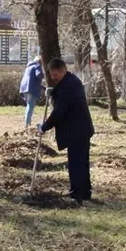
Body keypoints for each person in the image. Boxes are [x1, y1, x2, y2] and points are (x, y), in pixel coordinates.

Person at [39, 58, 94, 202]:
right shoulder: (70, 81)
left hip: (77, 130)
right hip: (79, 129)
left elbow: (59, 111)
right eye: (52, 75)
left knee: (77, 162)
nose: (53, 78)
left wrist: (45, 127)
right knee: (81, 161)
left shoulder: (70, 85)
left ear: (63, 71)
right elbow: (61, 94)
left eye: (56, 75)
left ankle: (77, 193)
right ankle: (84, 191)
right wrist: (52, 93)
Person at [19, 56, 45, 129]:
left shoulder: (29, 67)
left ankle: (28, 121)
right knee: (30, 106)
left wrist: (43, 87)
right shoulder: (37, 65)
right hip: (31, 88)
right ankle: (26, 124)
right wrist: (44, 75)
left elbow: (32, 79)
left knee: (29, 105)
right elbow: (39, 75)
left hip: (24, 88)